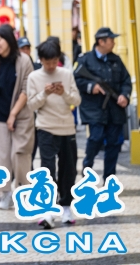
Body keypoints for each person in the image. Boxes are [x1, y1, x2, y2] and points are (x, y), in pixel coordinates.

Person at [27, 38, 81, 228]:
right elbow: (31, 105)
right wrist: (45, 93)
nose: (51, 66)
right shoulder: (34, 77)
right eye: (47, 62)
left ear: (58, 59)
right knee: (47, 169)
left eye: (54, 61)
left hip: (67, 128)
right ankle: (48, 209)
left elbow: (77, 100)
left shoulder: (66, 74)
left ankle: (66, 207)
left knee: (68, 169)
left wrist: (63, 93)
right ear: (40, 60)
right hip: (45, 128)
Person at [0, 24, 35, 211]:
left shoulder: (24, 60)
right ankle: (6, 193)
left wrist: (13, 114)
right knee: (3, 156)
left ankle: (24, 190)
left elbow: (27, 89)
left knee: (20, 153)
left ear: (9, 39)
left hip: (21, 115)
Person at [75, 27, 132, 179]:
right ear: (101, 42)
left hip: (114, 109)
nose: (114, 43)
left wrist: (124, 95)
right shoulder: (85, 60)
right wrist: (91, 87)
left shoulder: (116, 60)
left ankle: (109, 178)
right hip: (94, 109)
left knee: (114, 144)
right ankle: (87, 169)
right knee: (96, 138)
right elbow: (76, 80)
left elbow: (126, 81)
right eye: (111, 40)